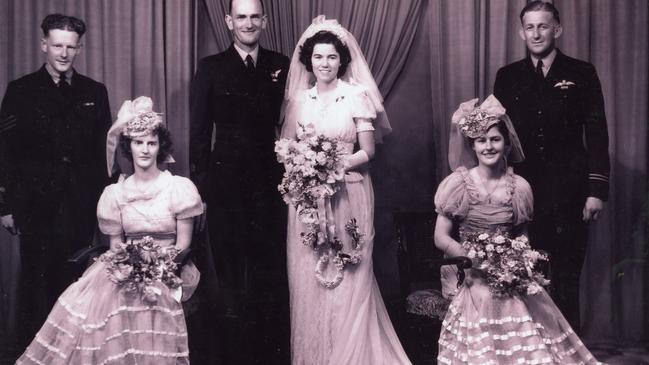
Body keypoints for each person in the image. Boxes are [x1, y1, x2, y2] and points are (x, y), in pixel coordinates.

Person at [15, 96, 203, 364]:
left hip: (170, 267)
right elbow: (117, 243)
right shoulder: (116, 193)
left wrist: (156, 267)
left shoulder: (178, 188)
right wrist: (127, 266)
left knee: (147, 297)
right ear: (129, 147)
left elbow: (183, 243)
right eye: (139, 143)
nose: (145, 150)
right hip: (127, 264)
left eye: (152, 143)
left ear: (161, 146)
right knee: (94, 300)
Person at [434, 95, 603, 364]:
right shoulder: (457, 184)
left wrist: (517, 259)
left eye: (495, 139)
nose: (488, 146)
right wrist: (472, 257)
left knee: (521, 293)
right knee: (487, 294)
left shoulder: (519, 186)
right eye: (481, 141)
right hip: (467, 268)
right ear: (473, 146)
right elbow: (440, 237)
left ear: (506, 143)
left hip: (508, 268)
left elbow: (522, 233)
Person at [280, 16, 410, 365]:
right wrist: (305, 168)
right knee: (310, 272)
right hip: (308, 198)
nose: (325, 64)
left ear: (342, 60)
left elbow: (367, 152)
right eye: (319, 57)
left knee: (348, 269)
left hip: (349, 192)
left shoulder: (356, 96)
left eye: (332, 57)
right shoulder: (298, 100)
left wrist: (332, 166)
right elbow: (288, 149)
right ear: (309, 61)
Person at [493, 0, 610, 332]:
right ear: (521, 32)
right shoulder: (508, 76)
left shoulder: (581, 72)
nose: (536, 33)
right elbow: (497, 135)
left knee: (568, 274)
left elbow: (598, 134)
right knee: (527, 273)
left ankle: (569, 348)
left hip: (570, 190)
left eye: (543, 26)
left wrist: (596, 190)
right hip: (523, 189)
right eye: (529, 27)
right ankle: (535, 347)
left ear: (557, 29)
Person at [0, 13, 112, 353]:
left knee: (77, 285)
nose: (64, 53)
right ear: (44, 45)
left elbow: (103, 156)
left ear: (79, 49)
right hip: (36, 206)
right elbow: (5, 152)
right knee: (37, 283)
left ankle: (72, 355)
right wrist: (5, 206)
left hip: (81, 204)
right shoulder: (21, 91)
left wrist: (103, 204)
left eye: (71, 47)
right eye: (57, 45)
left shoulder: (95, 91)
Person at [189, 0, 290, 362]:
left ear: (265, 20)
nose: (248, 23)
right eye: (241, 17)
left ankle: (267, 353)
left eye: (255, 16)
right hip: (225, 185)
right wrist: (201, 191)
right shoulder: (211, 67)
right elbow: (199, 134)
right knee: (230, 275)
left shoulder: (281, 64)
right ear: (229, 21)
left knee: (269, 270)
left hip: (270, 184)